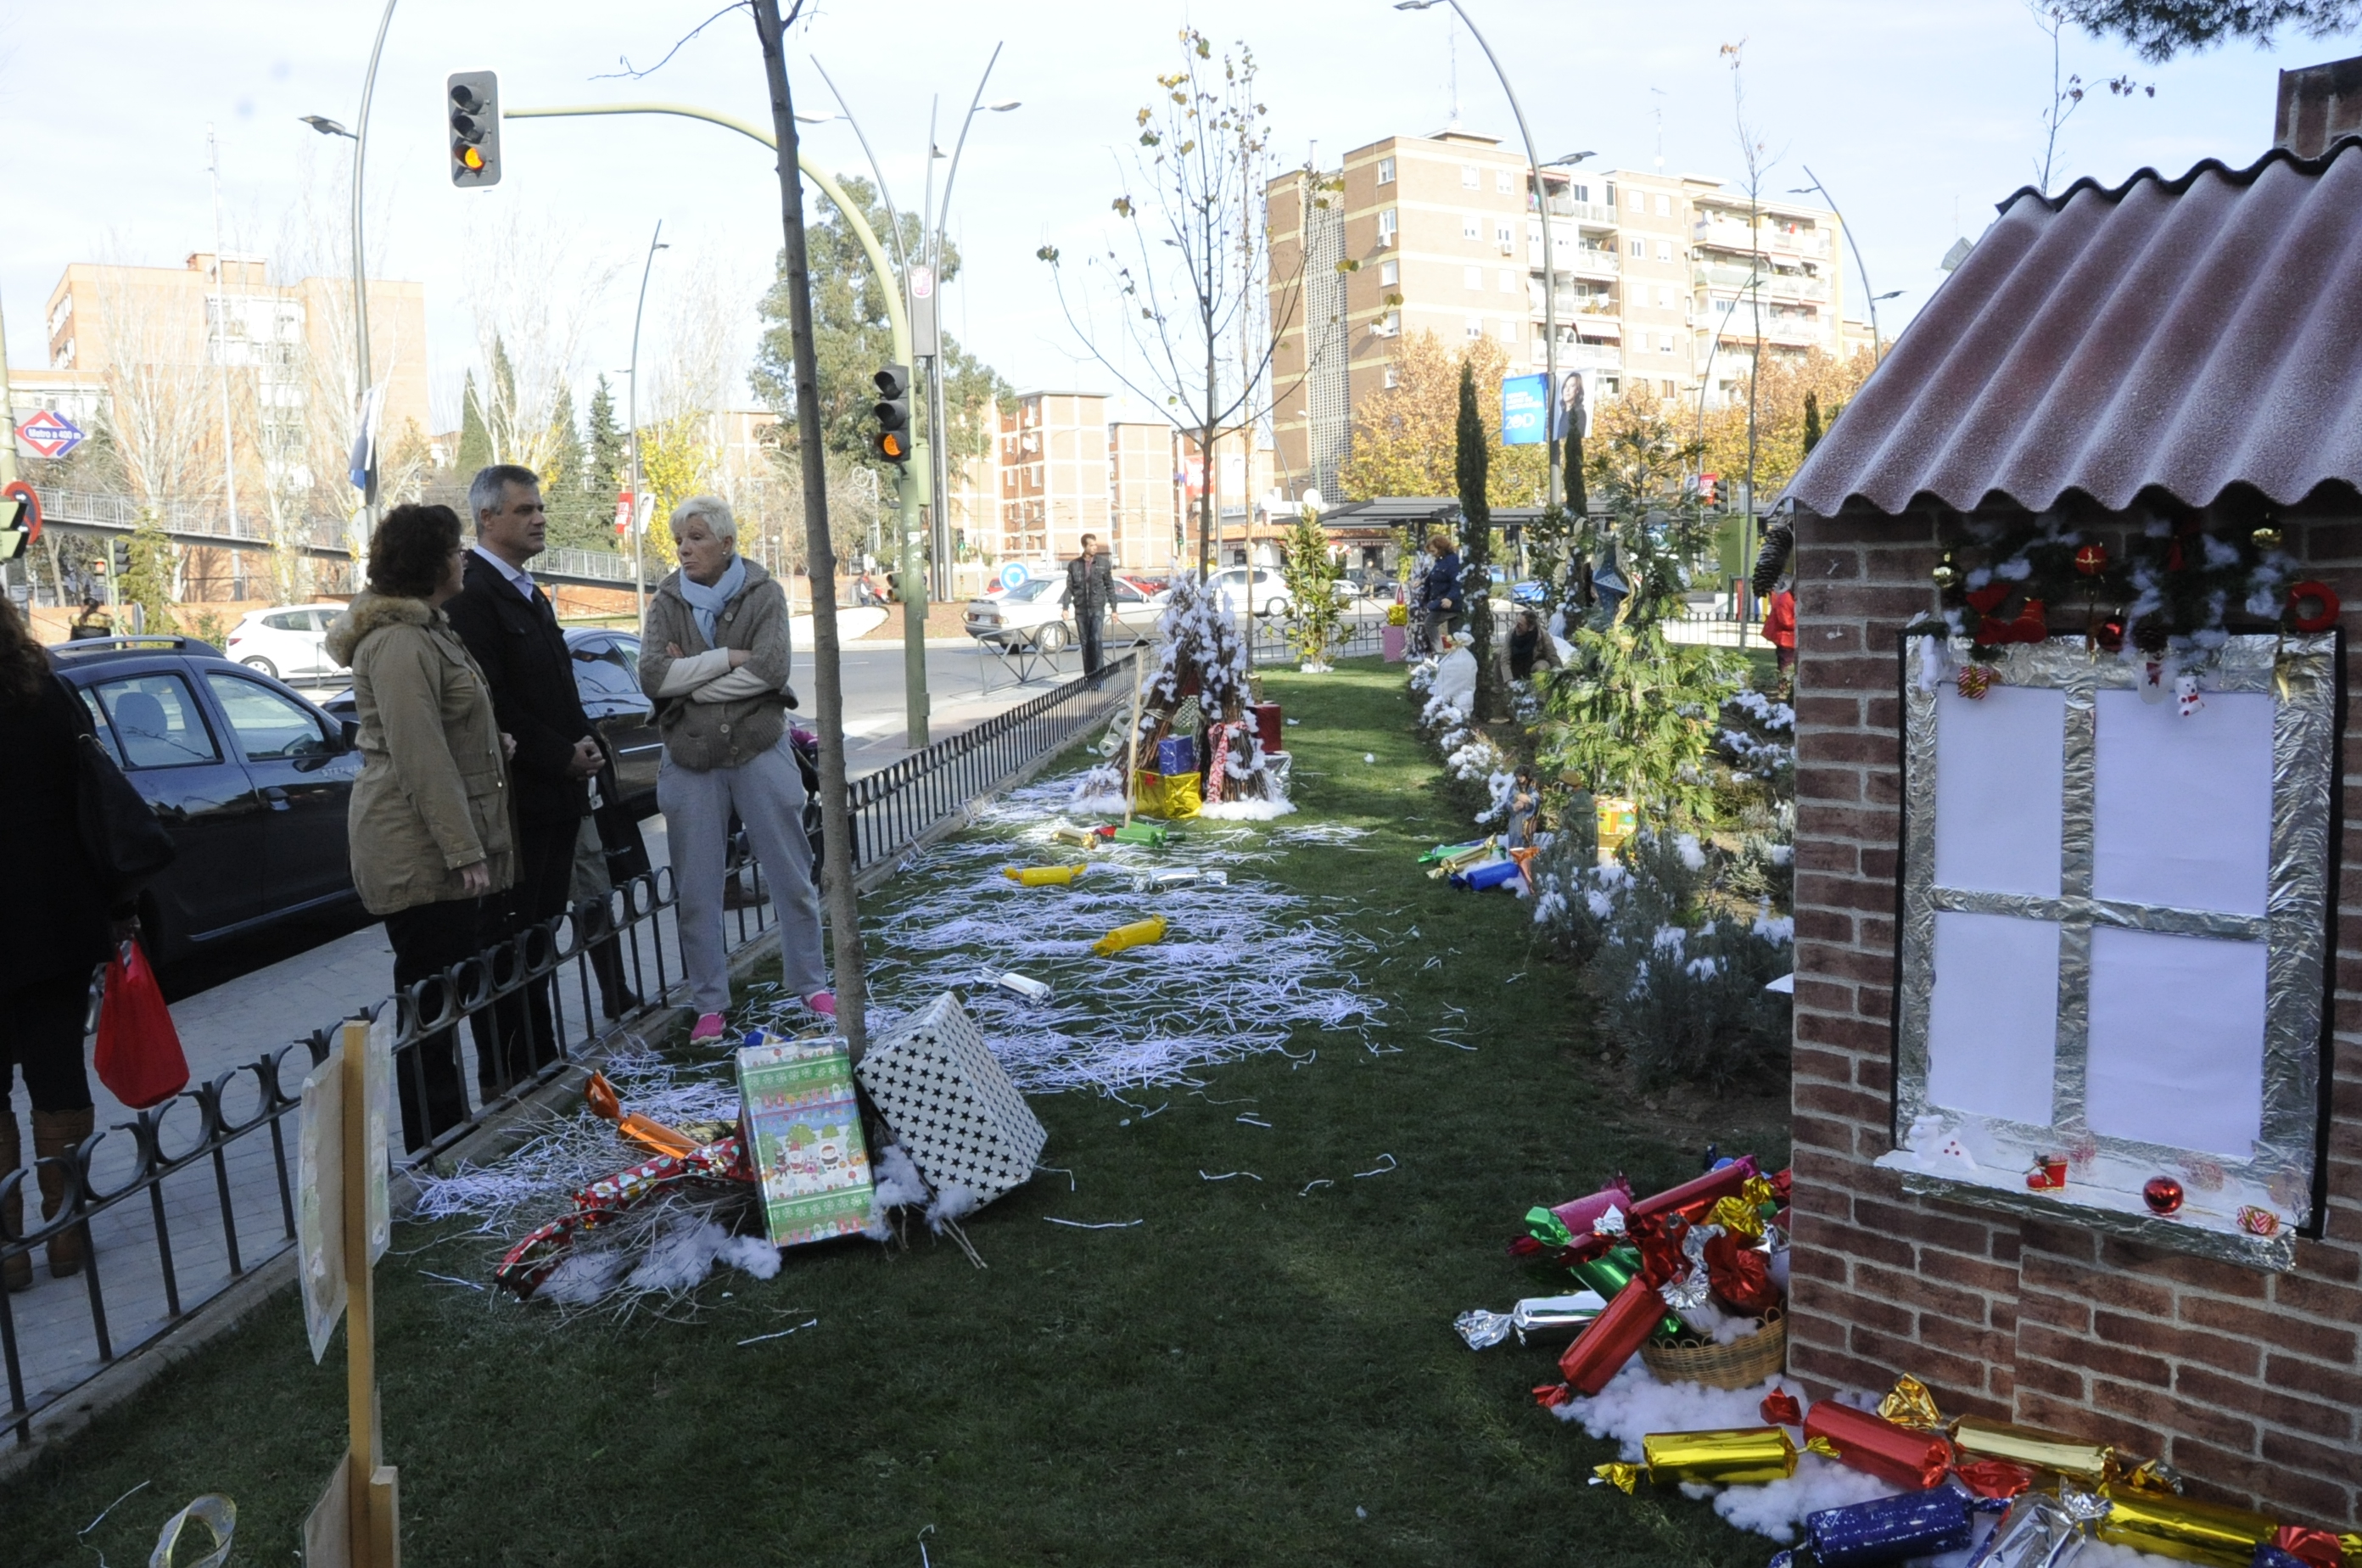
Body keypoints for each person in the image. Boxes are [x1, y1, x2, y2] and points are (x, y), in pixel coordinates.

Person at [326, 503, 519, 1151]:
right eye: (455, 547)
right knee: (430, 1000)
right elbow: (418, 751)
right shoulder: (400, 640)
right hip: (415, 849)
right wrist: (464, 848)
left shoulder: (429, 629)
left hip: (435, 841)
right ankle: (436, 1141)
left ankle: (455, 1129)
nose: (464, 557)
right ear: (429, 562)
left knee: (451, 986)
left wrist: (495, 743)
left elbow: (449, 723)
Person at [639, 496, 831, 1044]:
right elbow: (653, 676)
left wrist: (690, 676)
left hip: (759, 745)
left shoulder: (763, 593)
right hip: (690, 758)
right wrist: (726, 659)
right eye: (680, 538)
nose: (685, 547)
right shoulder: (668, 599)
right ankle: (709, 1005)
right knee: (698, 891)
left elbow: (771, 668)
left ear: (726, 544)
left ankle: (811, 984)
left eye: (697, 537)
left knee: (792, 876)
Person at [444, 464, 603, 1097]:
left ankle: (540, 1054)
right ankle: (509, 1069)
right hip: (517, 800)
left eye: (540, 507)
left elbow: (556, 687)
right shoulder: (474, 593)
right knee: (508, 938)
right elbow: (494, 702)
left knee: (540, 931)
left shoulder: (527, 591)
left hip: (557, 795)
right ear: (488, 519)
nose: (539, 518)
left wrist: (586, 742)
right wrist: (558, 754)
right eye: (524, 509)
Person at [0, 594, 124, 1289]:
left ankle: (9, 1248)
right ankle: (67, 1232)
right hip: (52, 916)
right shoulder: (44, 694)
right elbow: (97, 802)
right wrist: (119, 904)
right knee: (56, 1072)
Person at [1061, 533, 1116, 684]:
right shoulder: (1074, 565)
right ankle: (1089, 678)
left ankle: (1099, 678)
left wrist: (1114, 609)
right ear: (1084, 546)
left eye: (1095, 545)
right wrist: (1065, 607)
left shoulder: (1103, 563)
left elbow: (1110, 586)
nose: (1095, 547)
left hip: (1097, 608)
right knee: (1085, 644)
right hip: (1081, 610)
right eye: (1092, 545)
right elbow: (1069, 588)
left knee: (1096, 640)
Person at [1499, 606, 1565, 686]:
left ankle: (1540, 693)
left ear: (1530, 628)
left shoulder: (1543, 636)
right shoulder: (1511, 634)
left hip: (1533, 667)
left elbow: (1553, 657)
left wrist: (1560, 677)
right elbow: (1505, 660)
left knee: (1542, 666)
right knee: (1498, 655)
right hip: (1515, 667)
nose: (1516, 627)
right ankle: (1499, 692)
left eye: (1520, 625)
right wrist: (1509, 682)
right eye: (1515, 622)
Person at [1420, 531, 1464, 652]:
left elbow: (1457, 582)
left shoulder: (1452, 561)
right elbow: (1434, 576)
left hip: (1448, 603)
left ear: (1441, 548)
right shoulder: (1442, 560)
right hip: (1446, 602)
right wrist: (1423, 581)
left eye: (1433, 551)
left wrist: (1450, 598)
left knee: (1430, 623)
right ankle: (1457, 656)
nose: (1432, 555)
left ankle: (1439, 652)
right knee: (1455, 634)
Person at [1764, 577, 1797, 686]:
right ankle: (1784, 686)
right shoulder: (1785, 599)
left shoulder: (1792, 598)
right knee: (1786, 664)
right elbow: (1786, 622)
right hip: (1785, 639)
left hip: (1792, 639)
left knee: (1790, 664)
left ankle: (1787, 686)